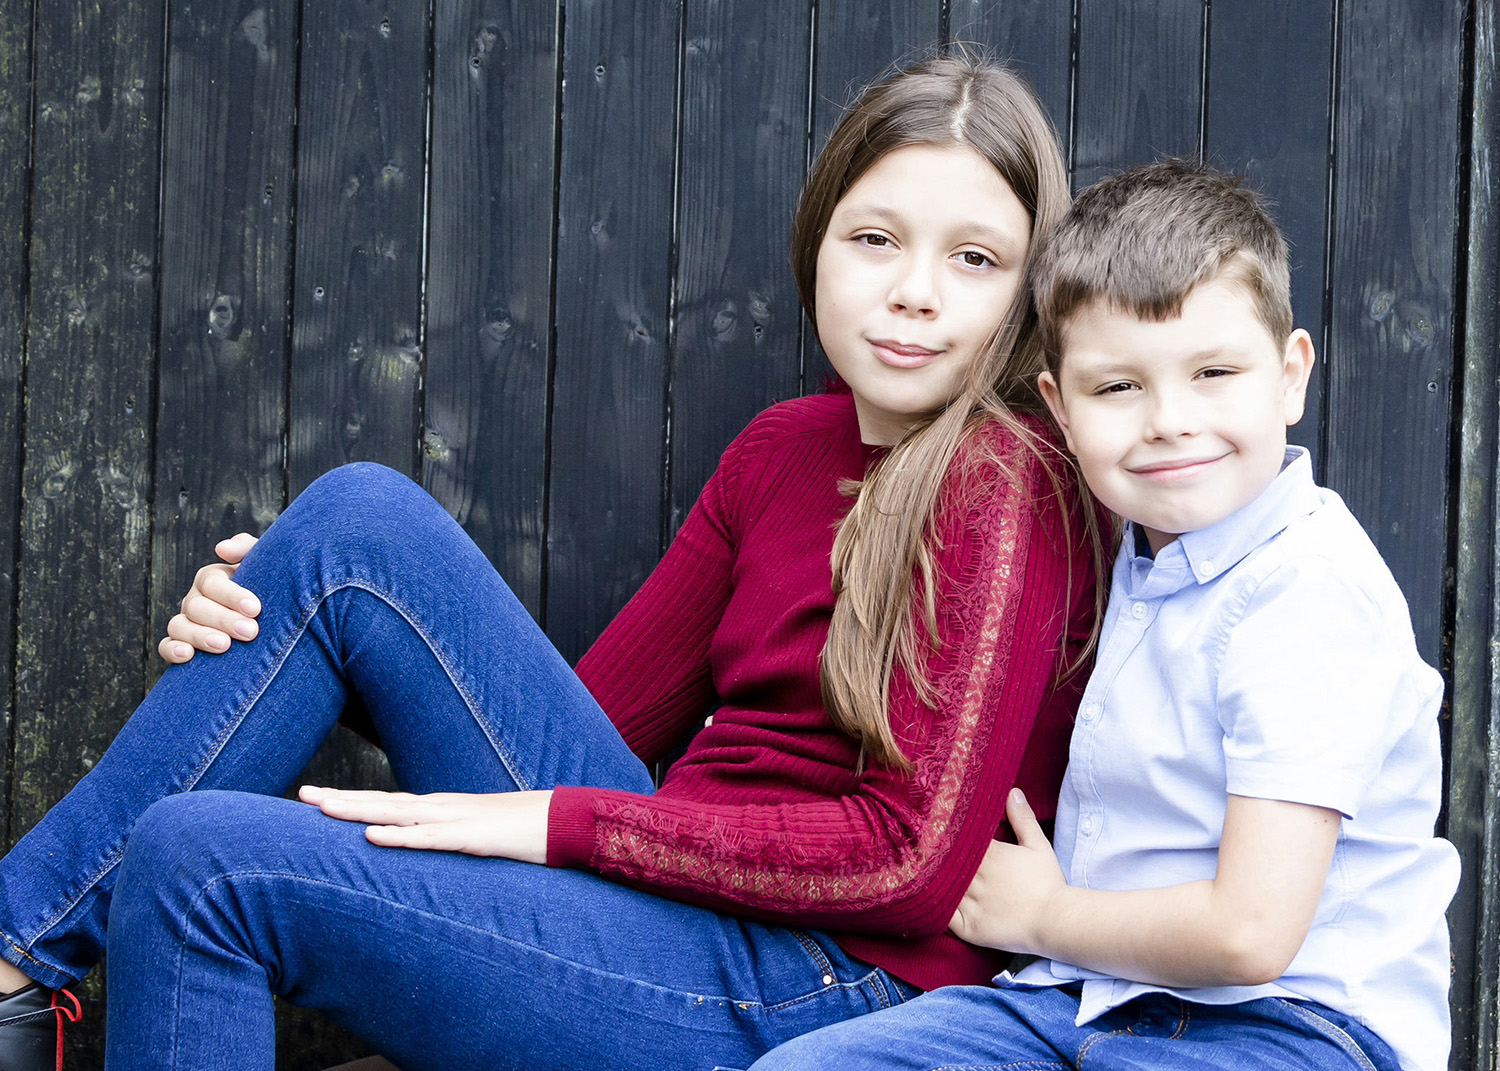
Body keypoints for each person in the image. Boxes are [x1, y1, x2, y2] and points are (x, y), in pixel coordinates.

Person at [0, 54, 1104, 1070]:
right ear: (818, 238)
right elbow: (592, 733)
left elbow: (907, 864)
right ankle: (11, 968)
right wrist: (289, 623)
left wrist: (568, 826)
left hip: (827, 978)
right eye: (875, 239)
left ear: (1026, 293)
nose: (915, 289)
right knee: (352, 532)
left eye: (974, 258)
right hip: (678, 908)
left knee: (205, 863)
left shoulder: (1005, 481)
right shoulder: (782, 449)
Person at [746, 159, 1460, 1071]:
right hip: (1080, 998)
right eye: (1118, 387)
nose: (1168, 420)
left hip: (1288, 1025)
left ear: (1290, 376)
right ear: (1061, 408)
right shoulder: (1133, 552)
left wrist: (1043, 914)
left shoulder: (1308, 590)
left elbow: (1251, 931)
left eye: (1213, 372)